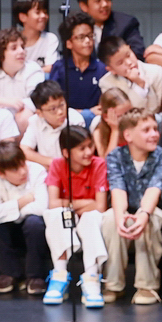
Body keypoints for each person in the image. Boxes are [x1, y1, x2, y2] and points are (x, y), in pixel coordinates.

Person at [104, 109, 162, 304]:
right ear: (128, 135)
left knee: (147, 220)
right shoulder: (115, 156)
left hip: (154, 211)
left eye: (155, 129)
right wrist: (120, 216)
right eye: (146, 130)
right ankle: (113, 285)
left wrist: (143, 214)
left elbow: (154, 190)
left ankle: (147, 286)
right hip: (127, 209)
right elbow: (117, 188)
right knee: (111, 219)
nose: (154, 134)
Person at [42, 123, 111, 309]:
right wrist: (81, 204)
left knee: (91, 217)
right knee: (57, 214)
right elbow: (53, 203)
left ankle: (91, 278)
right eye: (82, 149)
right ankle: (59, 275)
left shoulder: (99, 164)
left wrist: (70, 203)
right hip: (69, 216)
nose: (89, 152)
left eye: (90, 146)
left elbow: (100, 206)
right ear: (66, 153)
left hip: (89, 217)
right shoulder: (57, 165)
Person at [0, 136, 51, 295]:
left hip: (34, 231)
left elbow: (41, 208)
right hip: (10, 231)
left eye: (23, 164)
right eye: (15, 169)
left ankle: (35, 276)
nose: (23, 171)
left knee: (34, 222)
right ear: (1, 173)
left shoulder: (37, 171)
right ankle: (10, 273)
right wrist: (23, 201)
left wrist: (10, 212)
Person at [45, 14, 105, 115]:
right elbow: (53, 103)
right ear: (69, 43)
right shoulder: (60, 68)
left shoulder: (102, 69)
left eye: (90, 36)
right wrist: (85, 113)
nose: (88, 41)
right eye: (81, 37)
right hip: (65, 118)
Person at [99, 33, 162, 115]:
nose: (129, 62)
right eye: (120, 63)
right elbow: (124, 114)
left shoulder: (155, 71)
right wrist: (139, 85)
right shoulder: (106, 83)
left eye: (128, 55)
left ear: (130, 49)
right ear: (111, 69)